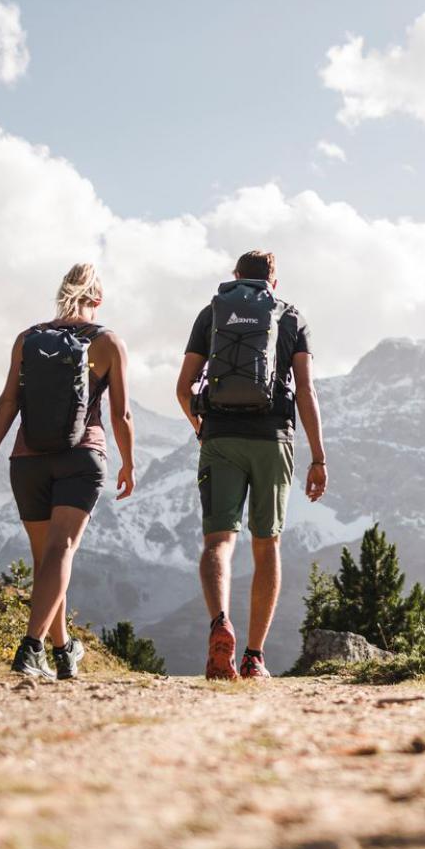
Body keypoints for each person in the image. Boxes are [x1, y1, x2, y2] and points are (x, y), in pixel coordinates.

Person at [0, 262, 136, 679]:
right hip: (81, 457)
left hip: (26, 460)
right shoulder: (107, 342)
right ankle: (30, 648)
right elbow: (122, 414)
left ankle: (62, 651)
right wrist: (129, 462)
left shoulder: (27, 340)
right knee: (61, 551)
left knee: (47, 558)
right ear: (97, 300)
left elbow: (8, 402)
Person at [175, 249, 326, 679]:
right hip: (274, 436)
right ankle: (254, 657)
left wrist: (200, 425)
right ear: (273, 282)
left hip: (221, 435)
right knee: (266, 544)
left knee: (218, 542)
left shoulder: (213, 313)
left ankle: (220, 624)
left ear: (236, 276)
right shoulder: (291, 318)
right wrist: (318, 457)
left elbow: (183, 387)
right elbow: (307, 392)